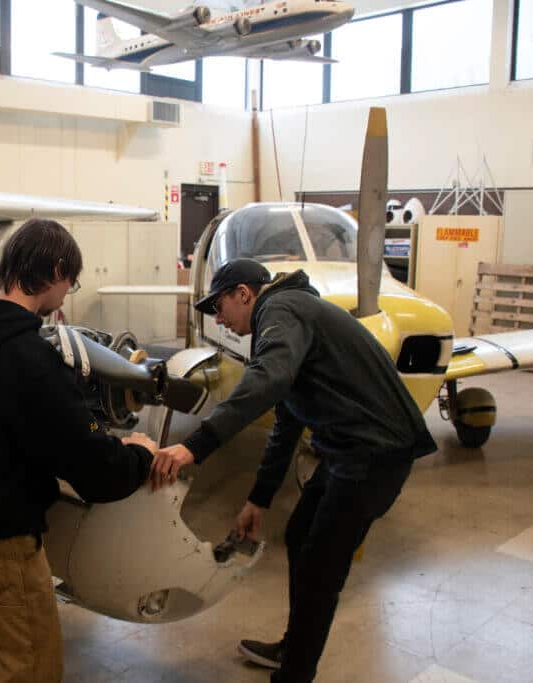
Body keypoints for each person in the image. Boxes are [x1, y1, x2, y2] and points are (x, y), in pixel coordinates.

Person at [151, 257, 436, 683]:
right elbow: (287, 419)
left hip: (374, 456)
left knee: (322, 567)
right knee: (300, 534)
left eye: (220, 307)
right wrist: (258, 500)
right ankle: (295, 646)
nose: (219, 320)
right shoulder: (293, 314)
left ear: (243, 294)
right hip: (350, 452)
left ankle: (296, 672)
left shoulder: (281, 310)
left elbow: (267, 381)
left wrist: (195, 446)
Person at [0, 217, 156, 683]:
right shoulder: (30, 358)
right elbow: (95, 471)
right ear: (55, 271)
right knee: (29, 669)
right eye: (70, 280)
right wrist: (139, 453)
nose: (68, 293)